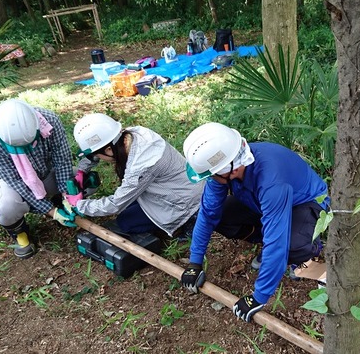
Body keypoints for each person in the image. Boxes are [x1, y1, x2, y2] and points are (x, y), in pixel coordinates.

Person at [180, 122, 330, 322]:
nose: (211, 179)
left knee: (289, 245)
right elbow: (208, 214)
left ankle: (305, 251)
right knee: (223, 216)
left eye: (211, 175)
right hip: (263, 202)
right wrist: (194, 262)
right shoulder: (227, 167)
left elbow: (277, 242)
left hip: (306, 202)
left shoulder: (270, 181)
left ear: (230, 170)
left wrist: (257, 297)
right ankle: (271, 247)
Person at [69, 113, 204, 238]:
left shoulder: (142, 166)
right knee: (130, 204)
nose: (96, 157)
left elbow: (115, 204)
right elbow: (100, 147)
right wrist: (82, 170)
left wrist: (80, 205)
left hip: (185, 203)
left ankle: (187, 223)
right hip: (183, 186)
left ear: (109, 150)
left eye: (96, 155)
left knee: (124, 222)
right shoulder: (133, 134)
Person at [0, 98, 84, 259]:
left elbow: (62, 160)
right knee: (5, 207)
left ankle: (61, 203)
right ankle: (20, 233)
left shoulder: (49, 121)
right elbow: (17, 183)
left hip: (45, 172)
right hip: (13, 183)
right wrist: (52, 212)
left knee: (84, 182)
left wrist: (67, 195)